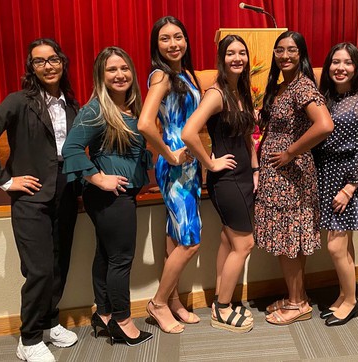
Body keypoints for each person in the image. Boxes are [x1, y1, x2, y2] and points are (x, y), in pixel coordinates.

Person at [0, 38, 79, 362]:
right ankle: (29, 338)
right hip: (30, 198)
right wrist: (6, 180)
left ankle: (51, 321)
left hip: (66, 191)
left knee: (59, 265)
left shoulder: (72, 104)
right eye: (39, 61)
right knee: (40, 270)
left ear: (62, 62)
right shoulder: (18, 101)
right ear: (31, 68)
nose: (48, 65)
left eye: (53, 59)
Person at [62, 46, 153, 346]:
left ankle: (103, 315)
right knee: (120, 260)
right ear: (101, 76)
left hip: (122, 194)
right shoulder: (96, 109)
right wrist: (99, 179)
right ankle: (123, 321)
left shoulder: (134, 106)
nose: (119, 74)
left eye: (124, 68)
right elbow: (71, 149)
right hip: (110, 196)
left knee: (106, 254)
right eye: (111, 69)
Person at [255, 30, 334, 325]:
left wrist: (290, 152)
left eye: (291, 50)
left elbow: (325, 125)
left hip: (290, 175)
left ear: (301, 54)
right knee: (291, 241)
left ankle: (298, 303)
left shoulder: (301, 86)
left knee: (289, 239)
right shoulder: (282, 87)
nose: (285, 55)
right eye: (279, 50)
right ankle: (296, 298)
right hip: (278, 175)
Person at [182, 35, 257, 333]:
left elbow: (247, 135)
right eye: (230, 53)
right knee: (245, 242)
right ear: (221, 58)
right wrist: (210, 163)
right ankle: (223, 309)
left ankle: (219, 301)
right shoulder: (216, 93)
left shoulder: (241, 90)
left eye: (241, 53)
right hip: (225, 180)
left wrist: (255, 169)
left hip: (242, 176)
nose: (236, 58)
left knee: (229, 240)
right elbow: (189, 132)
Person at [137, 16, 202, 334]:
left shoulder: (183, 73)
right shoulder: (161, 75)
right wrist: (169, 153)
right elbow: (145, 123)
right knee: (190, 241)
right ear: (156, 45)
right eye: (165, 39)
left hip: (189, 163)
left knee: (175, 237)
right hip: (175, 165)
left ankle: (174, 302)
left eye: (178, 36)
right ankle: (159, 303)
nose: (173, 43)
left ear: (186, 40)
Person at [315, 42, 358, 326]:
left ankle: (351, 303)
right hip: (325, 174)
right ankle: (345, 294)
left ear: (356, 68)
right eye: (335, 62)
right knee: (342, 246)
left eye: (347, 63)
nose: (340, 68)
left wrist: (350, 187)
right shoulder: (324, 99)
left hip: (349, 179)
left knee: (335, 247)